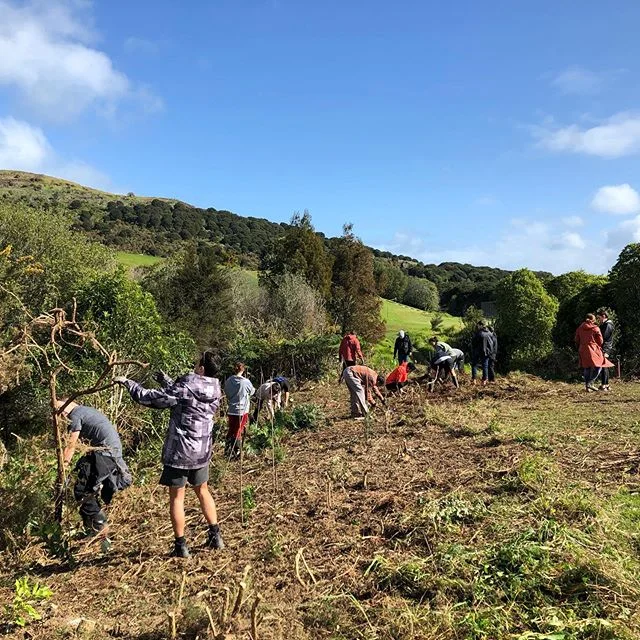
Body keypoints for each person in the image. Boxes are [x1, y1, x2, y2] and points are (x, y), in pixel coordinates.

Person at [115, 352, 224, 558]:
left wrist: (129, 383)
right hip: (202, 451)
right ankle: (215, 536)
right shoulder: (215, 388)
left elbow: (152, 399)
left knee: (177, 497)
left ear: (201, 369)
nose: (195, 363)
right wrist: (166, 381)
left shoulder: (185, 387)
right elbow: (183, 396)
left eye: (197, 361)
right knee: (203, 491)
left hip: (181, 452)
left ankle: (181, 546)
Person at [57, 399, 132, 537]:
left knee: (83, 490)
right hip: (106, 452)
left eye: (60, 413)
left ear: (65, 408)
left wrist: (63, 466)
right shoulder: (85, 411)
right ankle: (90, 529)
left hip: (105, 453)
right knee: (84, 485)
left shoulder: (75, 415)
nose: (61, 418)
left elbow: (71, 446)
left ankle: (101, 530)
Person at [224, 362, 255, 458]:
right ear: (243, 370)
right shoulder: (245, 382)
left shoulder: (228, 380)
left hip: (231, 409)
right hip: (242, 410)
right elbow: (252, 391)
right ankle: (236, 452)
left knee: (231, 429)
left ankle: (227, 450)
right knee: (238, 430)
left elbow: (227, 393)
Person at [575, 314, 613, 392]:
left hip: (582, 348)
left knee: (587, 367)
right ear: (593, 320)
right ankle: (591, 383)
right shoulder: (595, 328)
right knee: (600, 365)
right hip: (593, 348)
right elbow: (601, 341)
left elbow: (576, 339)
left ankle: (587, 387)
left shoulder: (580, 328)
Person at [597, 309, 614, 392]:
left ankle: (604, 385)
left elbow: (604, 337)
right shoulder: (606, 324)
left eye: (599, 318)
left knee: (603, 366)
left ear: (603, 316)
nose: (598, 320)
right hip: (605, 347)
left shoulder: (607, 325)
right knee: (605, 366)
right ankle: (606, 384)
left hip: (605, 348)